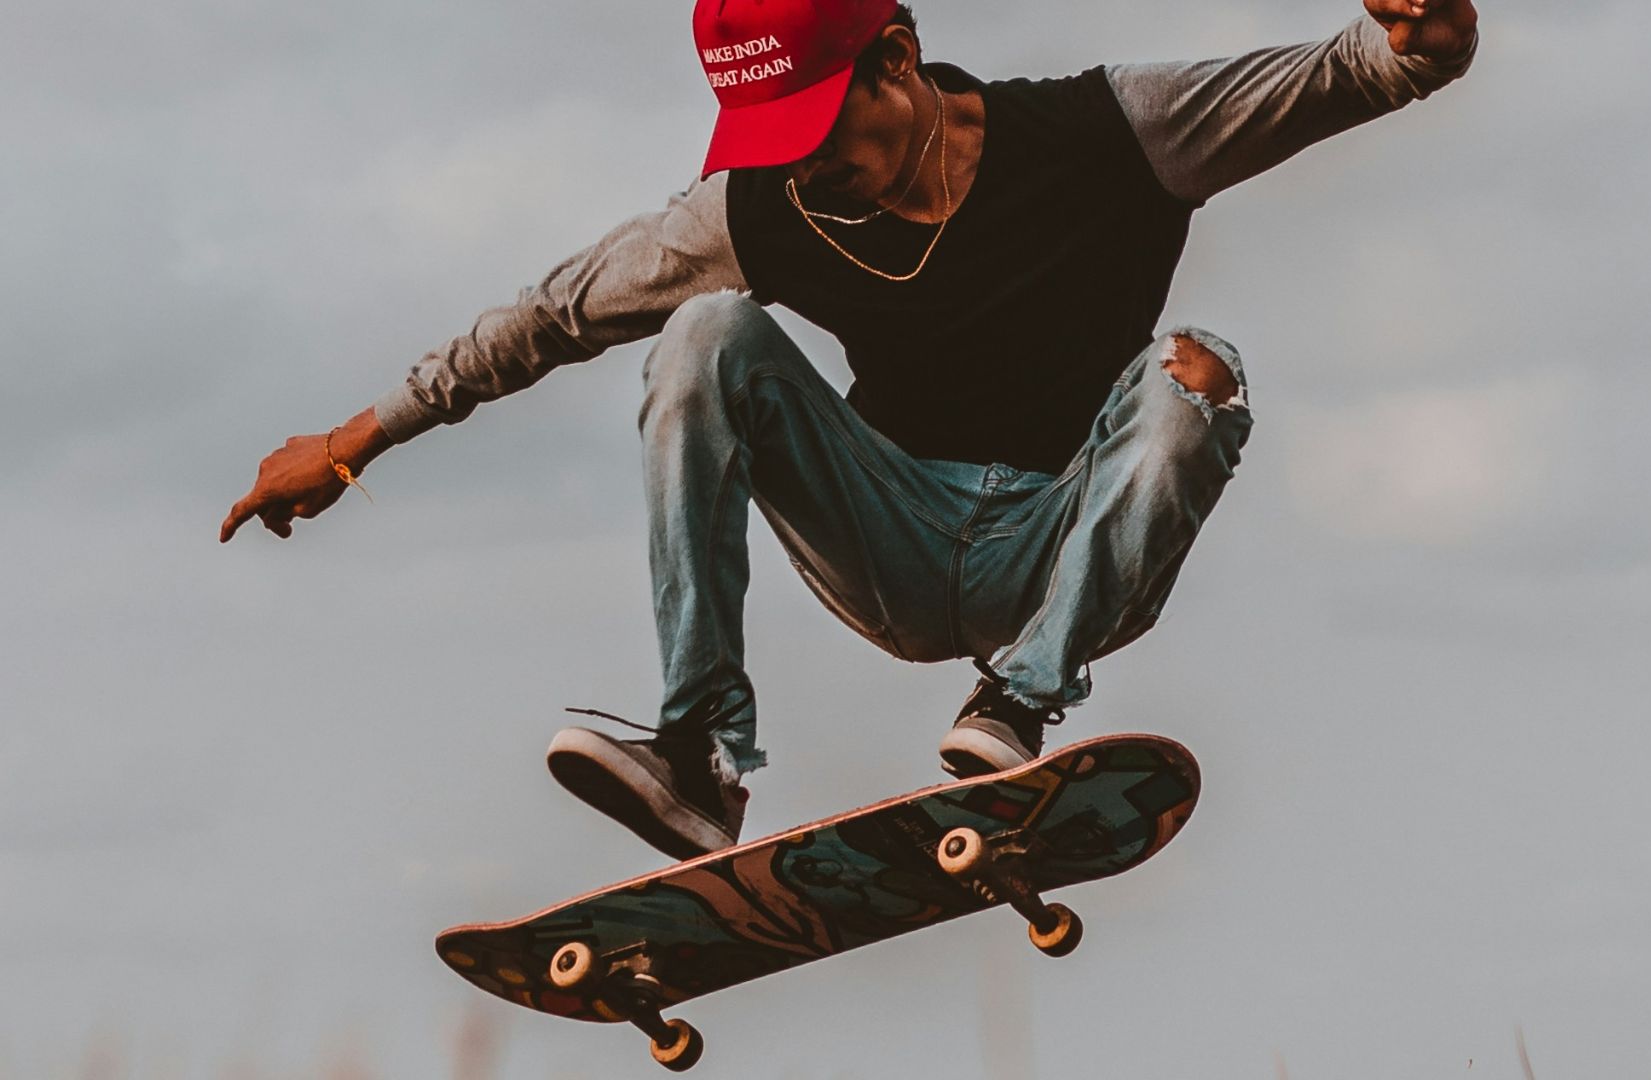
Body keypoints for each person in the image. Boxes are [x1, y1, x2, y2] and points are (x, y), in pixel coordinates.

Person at [221, 0, 1477, 859]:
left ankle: (1020, 709)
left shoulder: (1112, 131)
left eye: (826, 125)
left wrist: (1421, 40)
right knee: (704, 335)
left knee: (1199, 367)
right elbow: (548, 318)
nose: (809, 167)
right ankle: (699, 757)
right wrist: (354, 440)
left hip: (1068, 541)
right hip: (893, 536)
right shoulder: (756, 212)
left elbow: (1354, 72)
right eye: (777, 142)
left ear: (899, 56)